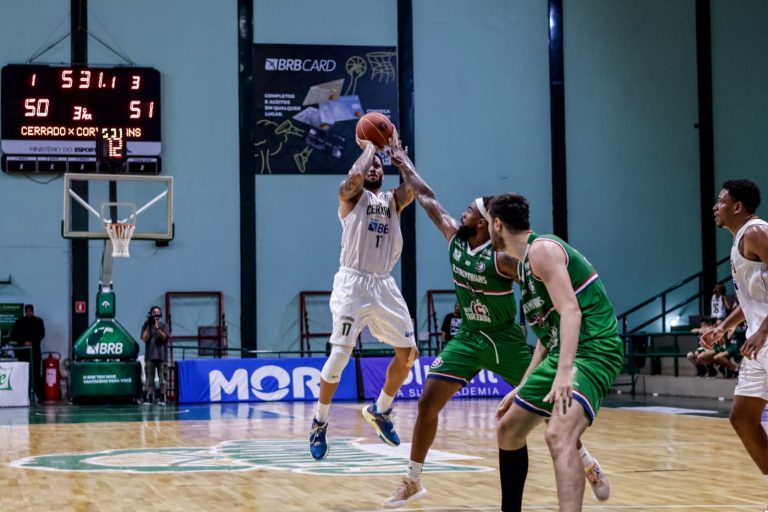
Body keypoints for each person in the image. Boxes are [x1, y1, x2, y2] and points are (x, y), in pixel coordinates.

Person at [382, 141, 609, 510]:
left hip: (505, 340)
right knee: (427, 402)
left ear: (486, 222)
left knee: (550, 408)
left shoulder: (504, 259)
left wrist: (555, 324)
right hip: (469, 337)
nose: (463, 211)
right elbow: (426, 197)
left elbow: (540, 286)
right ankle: (412, 480)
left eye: (471, 210)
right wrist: (404, 163)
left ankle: (586, 462)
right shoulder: (454, 238)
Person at [489, 193, 624, 512]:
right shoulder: (526, 266)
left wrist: (564, 372)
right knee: (508, 429)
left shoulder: (542, 250)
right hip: (562, 351)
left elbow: (571, 312)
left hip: (594, 350)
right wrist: (524, 384)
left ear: (497, 224)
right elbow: (547, 333)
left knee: (558, 434)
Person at [309, 137, 418, 461]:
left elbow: (413, 189)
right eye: (370, 164)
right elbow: (353, 178)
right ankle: (319, 421)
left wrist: (401, 162)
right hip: (352, 283)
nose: (373, 168)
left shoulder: (392, 200)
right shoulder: (351, 196)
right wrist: (370, 147)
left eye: (378, 166)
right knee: (340, 355)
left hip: (384, 283)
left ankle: (380, 410)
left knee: (408, 354)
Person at [700, 179, 767, 508]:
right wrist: (723, 327)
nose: (716, 207)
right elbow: (754, 298)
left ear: (738, 207)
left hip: (764, 337)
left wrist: (763, 329)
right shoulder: (740, 240)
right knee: (742, 417)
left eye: (721, 201)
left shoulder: (756, 232)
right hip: (758, 344)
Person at [11, 304, 45, 400]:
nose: (29, 313)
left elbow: (41, 334)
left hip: (35, 351)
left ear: (33, 311)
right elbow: (14, 335)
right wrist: (23, 342)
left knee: (36, 373)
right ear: (25, 312)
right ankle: (23, 394)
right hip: (23, 352)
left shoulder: (38, 321)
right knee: (23, 372)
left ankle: (38, 394)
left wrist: (32, 342)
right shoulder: (20, 322)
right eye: (27, 311)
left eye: (30, 311)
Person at [141, 305, 170, 405]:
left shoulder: (164, 325)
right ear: (151, 314)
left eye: (158, 312)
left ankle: (162, 397)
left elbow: (164, 338)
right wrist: (147, 326)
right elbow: (144, 339)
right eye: (154, 312)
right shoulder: (147, 326)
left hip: (161, 356)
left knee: (163, 378)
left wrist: (158, 329)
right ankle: (149, 398)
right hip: (150, 356)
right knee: (149, 378)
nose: (156, 314)